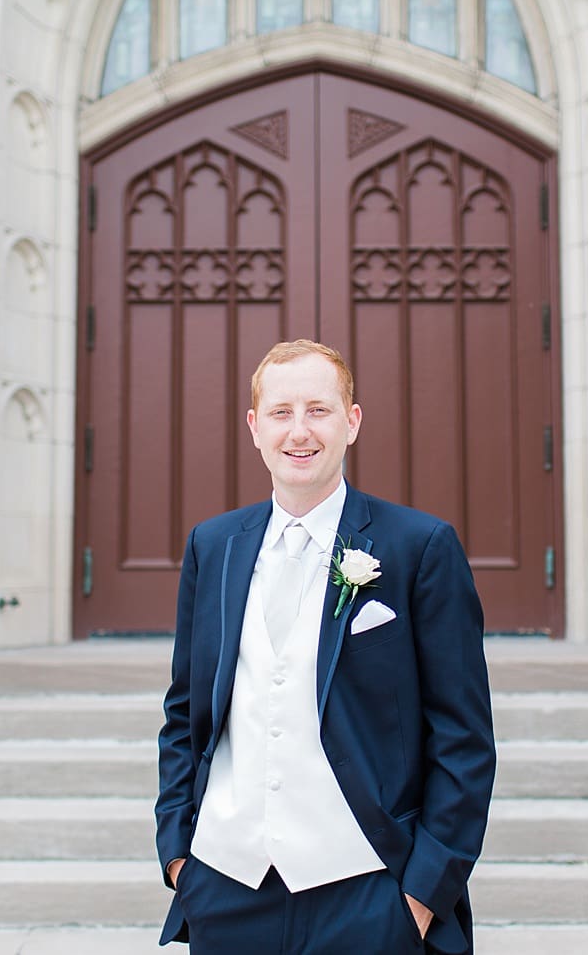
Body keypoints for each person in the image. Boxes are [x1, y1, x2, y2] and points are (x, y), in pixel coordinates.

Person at [155, 339, 496, 954]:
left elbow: (463, 737)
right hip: (226, 885)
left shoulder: (419, 547)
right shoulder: (213, 546)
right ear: (255, 428)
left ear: (352, 422)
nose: (300, 431)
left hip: (368, 890)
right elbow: (185, 714)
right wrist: (179, 854)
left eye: (319, 409)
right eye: (282, 413)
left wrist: (421, 893)